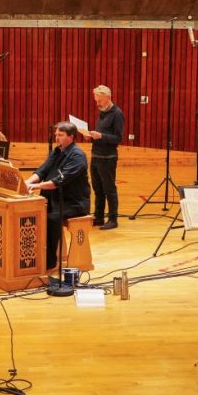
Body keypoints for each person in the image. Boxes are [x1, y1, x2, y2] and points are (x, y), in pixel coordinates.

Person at [25, 122, 91, 271]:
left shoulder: (78, 156)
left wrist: (36, 186)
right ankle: (36, 255)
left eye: (60, 135)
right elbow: (42, 171)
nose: (56, 138)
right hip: (55, 199)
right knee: (34, 214)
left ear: (71, 137)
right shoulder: (57, 152)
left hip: (73, 203)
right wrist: (27, 182)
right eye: (56, 135)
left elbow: (59, 182)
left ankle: (49, 261)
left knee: (50, 218)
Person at [86, 85, 124, 230]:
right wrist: (90, 136)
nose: (97, 104)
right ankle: (99, 217)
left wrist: (101, 136)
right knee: (97, 189)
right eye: (96, 101)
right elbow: (100, 135)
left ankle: (113, 219)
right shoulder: (102, 112)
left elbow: (118, 138)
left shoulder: (117, 114)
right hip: (96, 155)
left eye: (100, 101)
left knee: (109, 189)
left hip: (108, 157)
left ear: (108, 98)